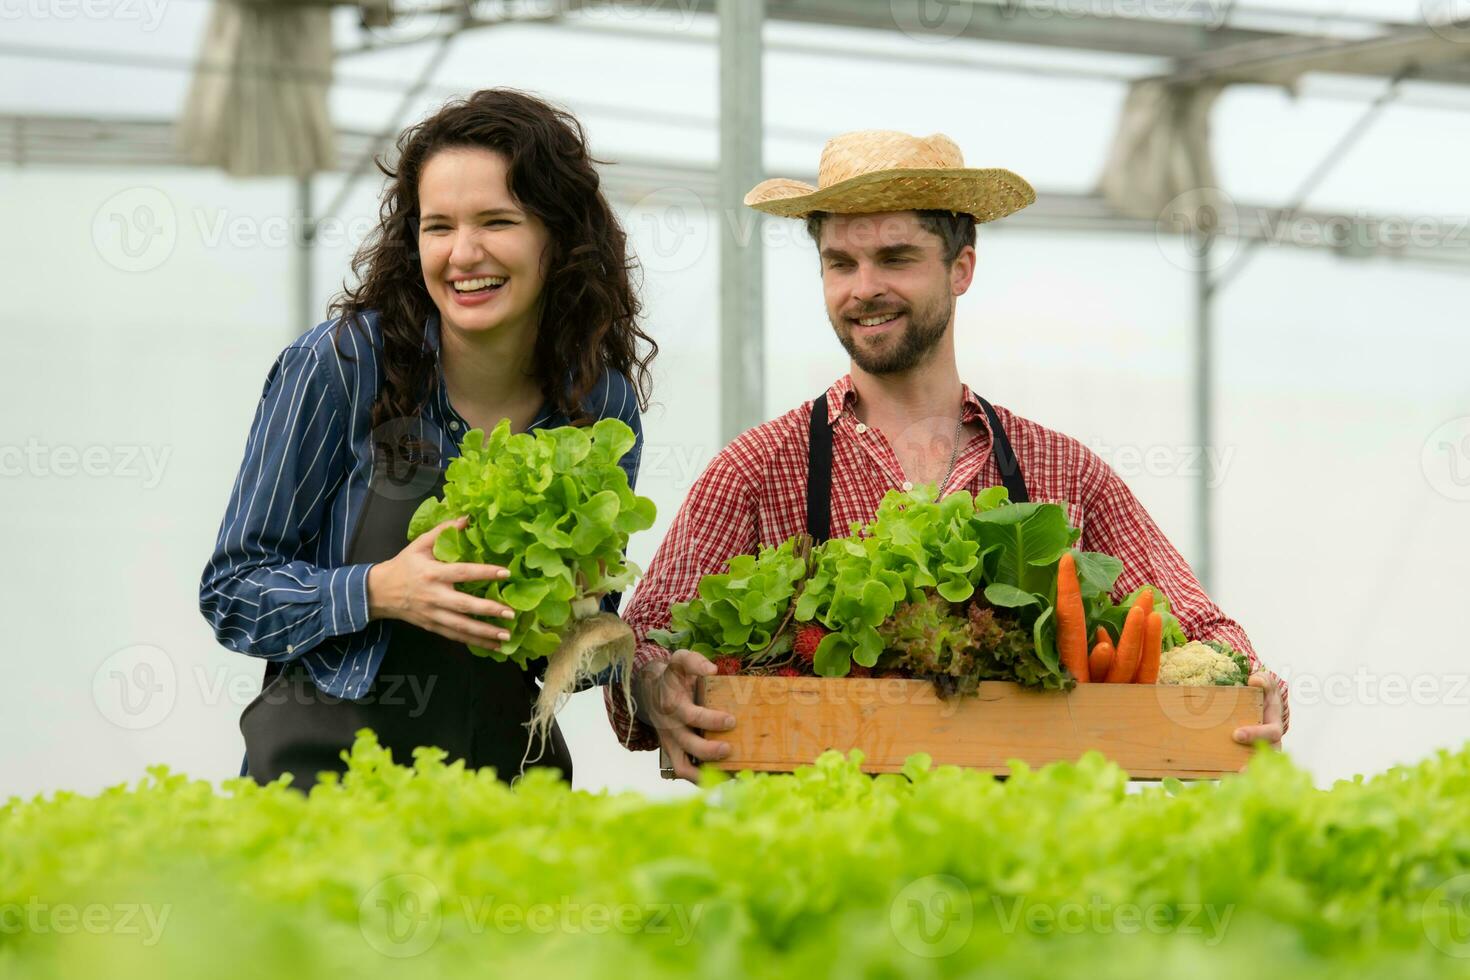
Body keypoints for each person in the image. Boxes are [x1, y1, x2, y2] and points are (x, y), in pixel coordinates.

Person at [606, 129, 1288, 781]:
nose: (862, 287)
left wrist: (1254, 681)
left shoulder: (1061, 471)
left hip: (1018, 864)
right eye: (840, 263)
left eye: (895, 258)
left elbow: (1203, 630)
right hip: (819, 861)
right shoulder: (760, 466)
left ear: (961, 268)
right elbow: (639, 639)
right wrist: (653, 679)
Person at [200, 88, 657, 790]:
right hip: (327, 787)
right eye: (438, 226)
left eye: (497, 221)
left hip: (503, 791)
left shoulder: (599, 400)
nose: (463, 254)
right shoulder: (344, 365)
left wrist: (614, 641)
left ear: (557, 236)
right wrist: (379, 590)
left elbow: (571, 657)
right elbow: (233, 592)